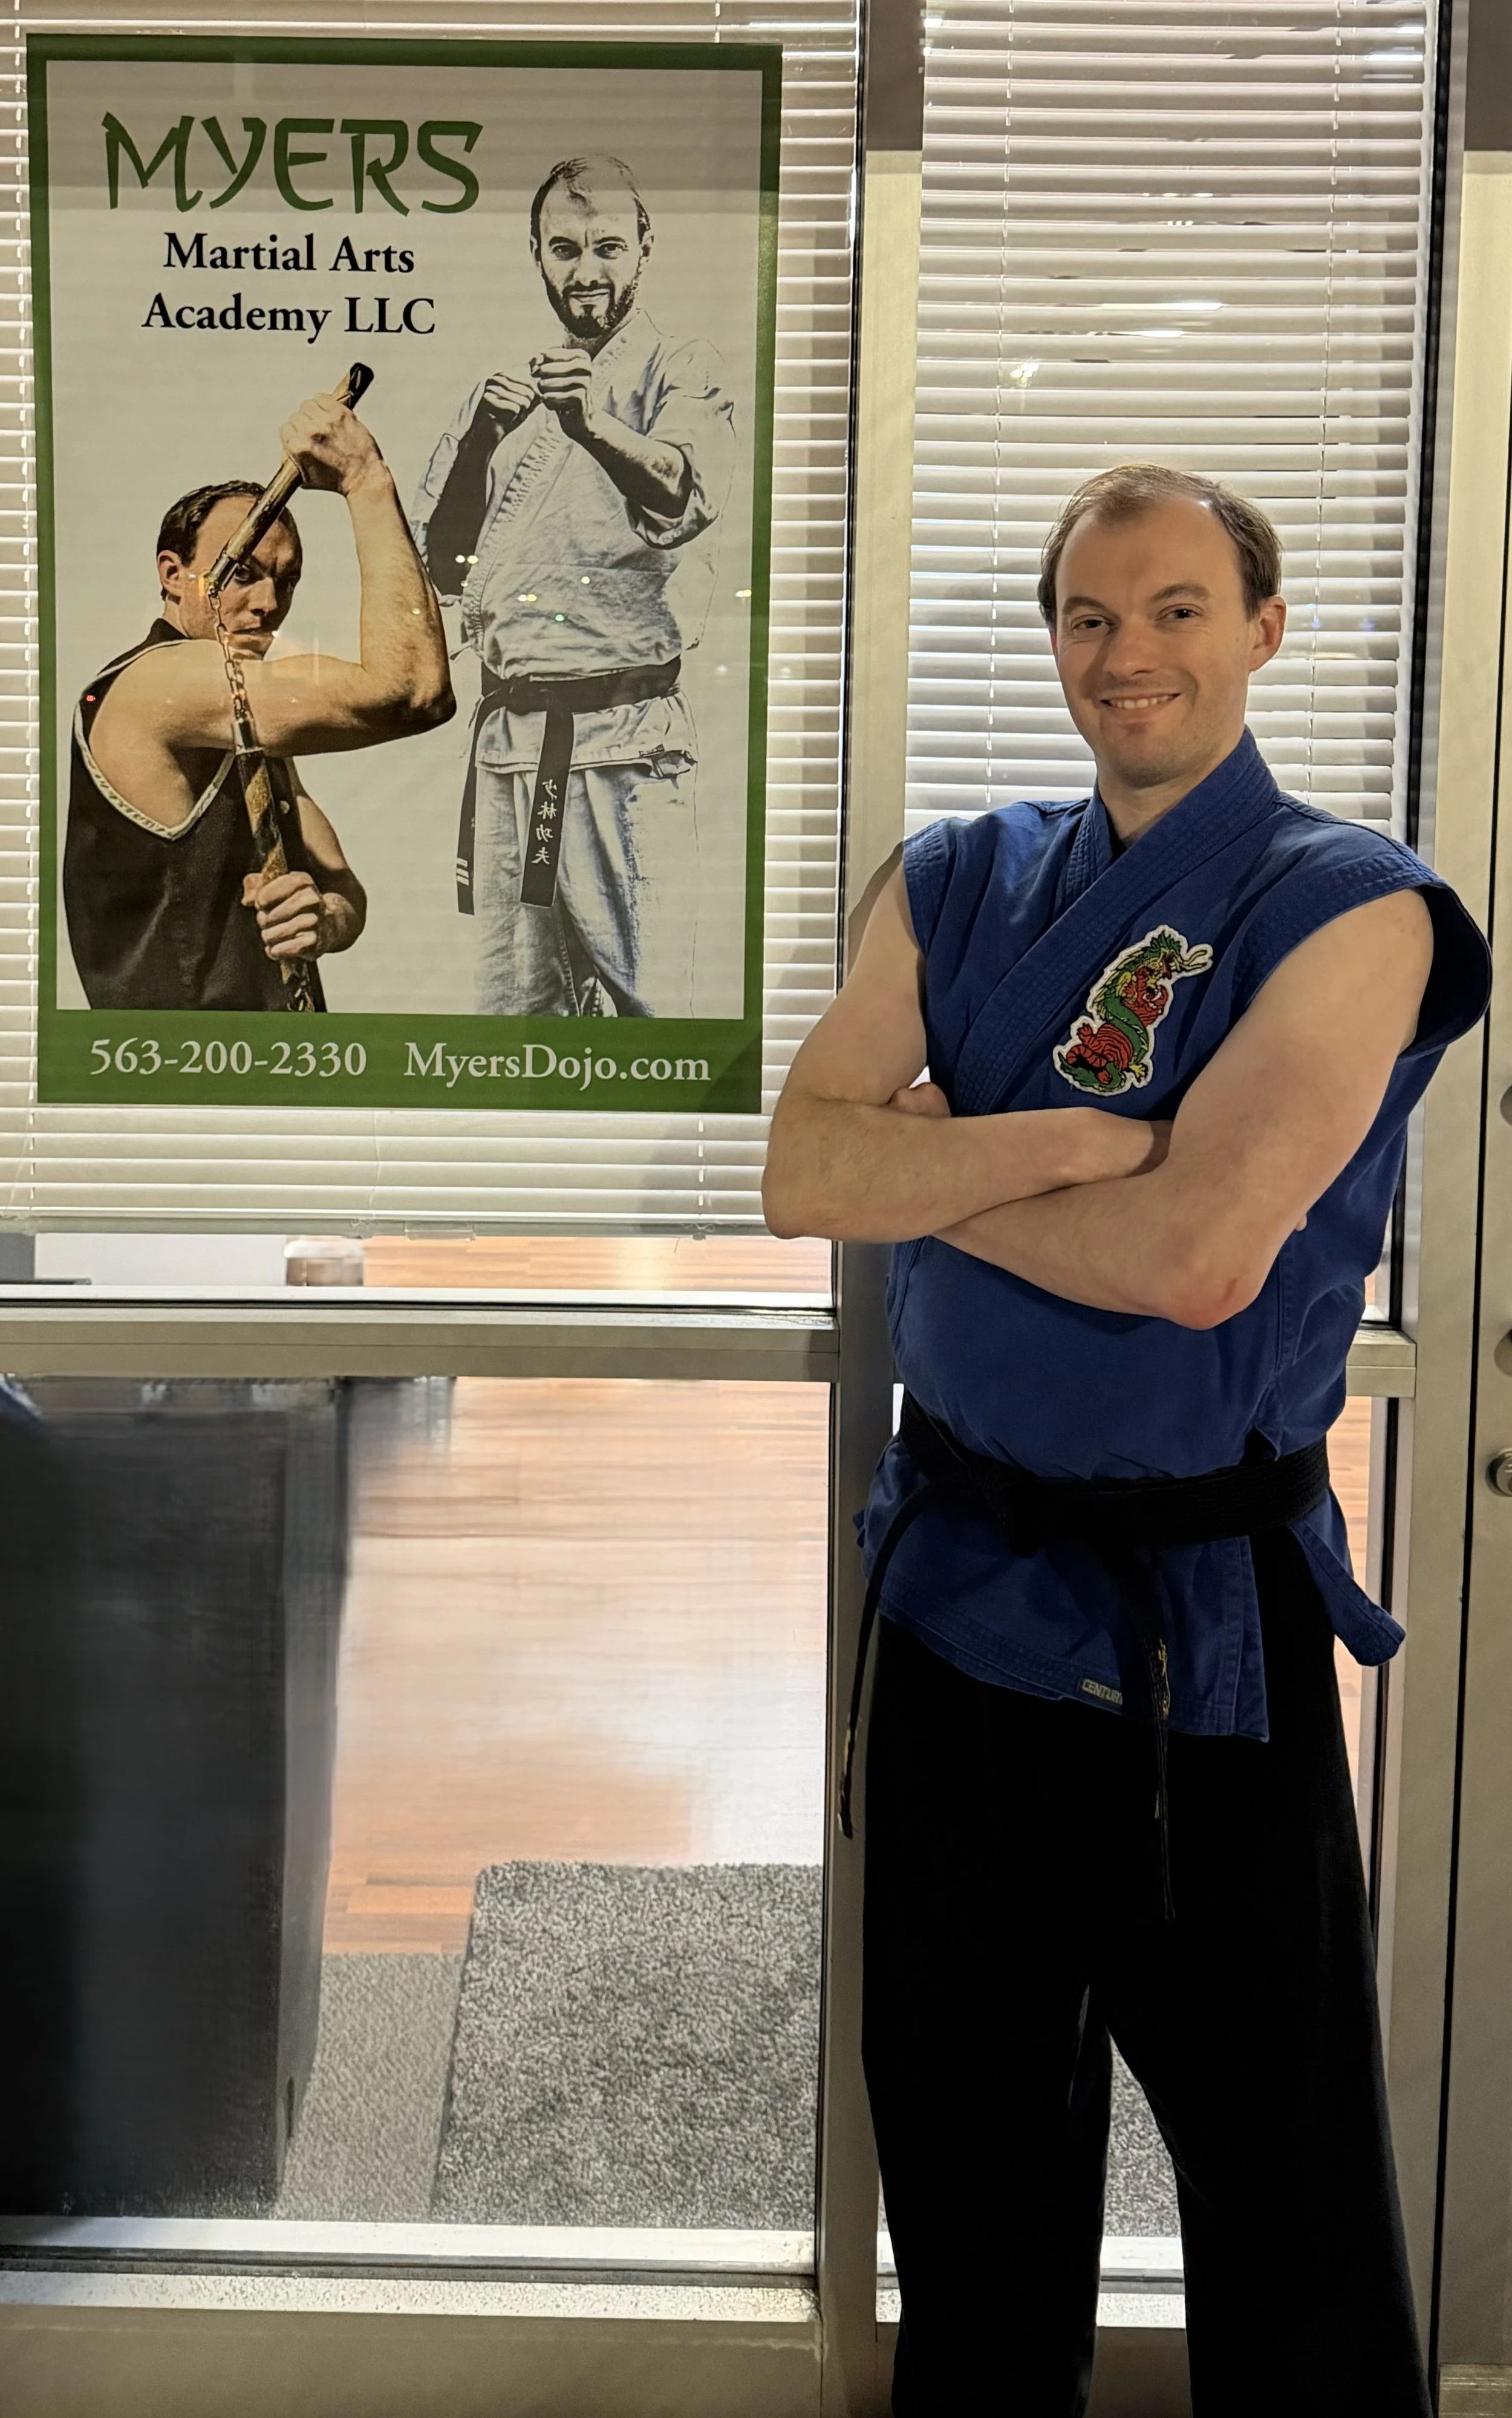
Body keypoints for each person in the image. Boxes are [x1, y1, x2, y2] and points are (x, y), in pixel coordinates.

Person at [763, 464, 1493, 2417]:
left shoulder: (1356, 908)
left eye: (1177, 608)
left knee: (1282, 2161)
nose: (1128, 654)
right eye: (1090, 616)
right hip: (952, 1584)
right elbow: (798, 1167)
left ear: (1265, 626)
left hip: (1201, 1616)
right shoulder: (957, 872)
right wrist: (1058, 1144)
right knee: (964, 2125)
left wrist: (920, 1173)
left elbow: (1192, 1259)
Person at [411, 152, 735, 1017]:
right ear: (537, 255)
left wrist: (590, 425)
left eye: (606, 248)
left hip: (624, 744)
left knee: (655, 1012)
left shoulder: (678, 364)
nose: (585, 272)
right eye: (563, 250)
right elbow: (442, 565)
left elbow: (685, 490)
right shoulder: (512, 391)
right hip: (510, 745)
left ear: (643, 246)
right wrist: (483, 436)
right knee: (512, 1020)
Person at [65, 391, 454, 1012]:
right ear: (173, 573)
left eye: (288, 578)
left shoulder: (235, 717)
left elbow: (340, 883)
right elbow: (413, 691)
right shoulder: (159, 683)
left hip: (259, 1075)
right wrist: (365, 478)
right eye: (243, 572)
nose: (270, 602)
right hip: (181, 1082)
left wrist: (322, 917)